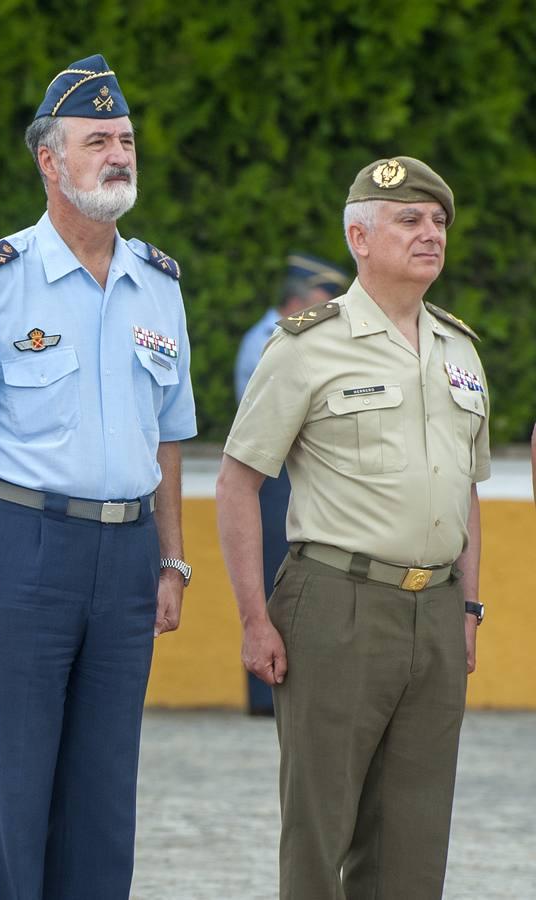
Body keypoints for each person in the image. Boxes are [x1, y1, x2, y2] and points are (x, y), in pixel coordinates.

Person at [0, 54, 196, 899]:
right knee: (17, 788)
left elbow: (169, 440)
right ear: (50, 160)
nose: (119, 154)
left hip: (127, 556)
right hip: (21, 550)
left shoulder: (159, 285)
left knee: (108, 795)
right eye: (98, 139)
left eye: (127, 139)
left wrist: (173, 561)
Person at [215, 156, 487, 899]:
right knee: (319, 833)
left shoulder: (460, 351)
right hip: (337, 603)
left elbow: (466, 493)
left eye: (438, 222)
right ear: (359, 237)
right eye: (409, 219)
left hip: (434, 611)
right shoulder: (307, 344)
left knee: (414, 840)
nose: (430, 233)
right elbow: (239, 483)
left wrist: (467, 608)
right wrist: (252, 619)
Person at [233, 253, 349, 716]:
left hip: (285, 469)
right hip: (272, 470)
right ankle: (267, 695)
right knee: (274, 579)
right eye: (322, 300)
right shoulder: (271, 339)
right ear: (299, 300)